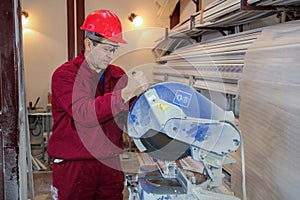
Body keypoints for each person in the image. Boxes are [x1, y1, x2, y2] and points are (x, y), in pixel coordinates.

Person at [47, 9, 141, 200]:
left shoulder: (117, 75)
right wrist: (123, 95)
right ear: (88, 43)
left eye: (114, 49)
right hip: (75, 164)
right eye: (107, 48)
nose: (111, 55)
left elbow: (133, 112)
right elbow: (84, 113)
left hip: (109, 163)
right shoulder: (65, 75)